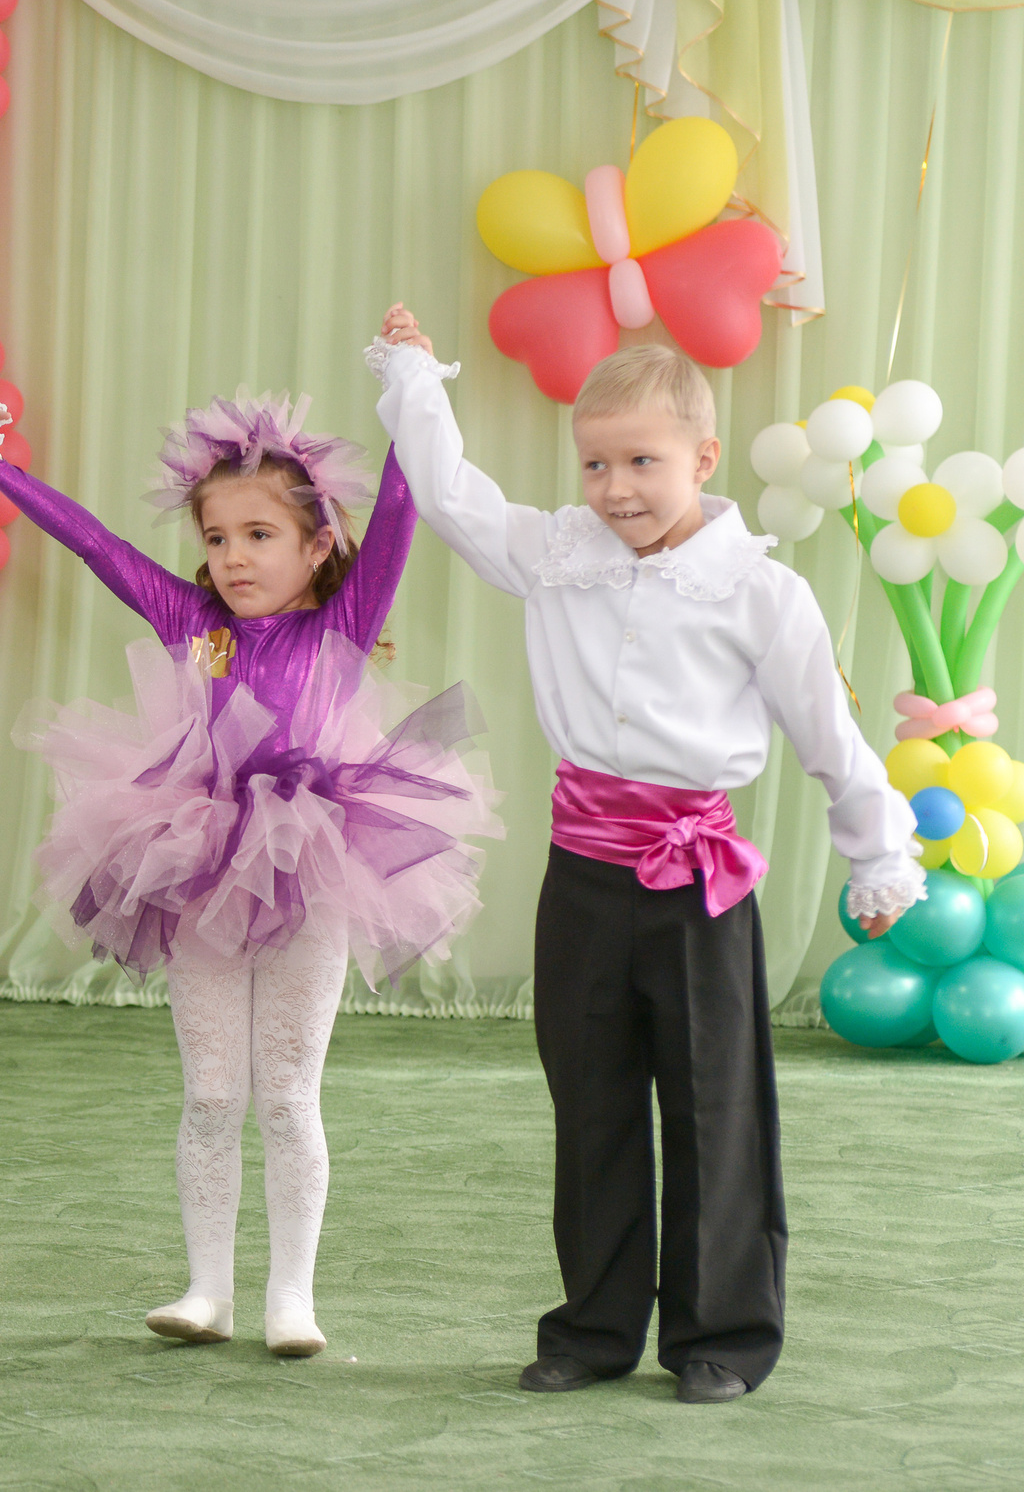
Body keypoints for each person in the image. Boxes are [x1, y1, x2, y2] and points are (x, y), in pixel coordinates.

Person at [373, 309, 921, 1403]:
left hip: (695, 883)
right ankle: (593, 1326)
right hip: (579, 877)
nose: (616, 486)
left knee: (715, 1103)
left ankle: (721, 1333)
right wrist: (411, 378)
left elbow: (828, 735)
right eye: (594, 462)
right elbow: (450, 495)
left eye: (642, 462)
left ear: (703, 458)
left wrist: (878, 855)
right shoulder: (555, 555)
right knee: (592, 1100)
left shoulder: (761, 592)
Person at [0, 348, 496, 1360]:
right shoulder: (191, 620)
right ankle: (206, 1286)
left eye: (260, 534)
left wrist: (412, 379)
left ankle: (291, 1293)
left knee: (286, 1094)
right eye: (217, 536)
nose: (234, 556)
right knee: (210, 1092)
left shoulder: (344, 617)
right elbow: (96, 544)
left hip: (316, 857)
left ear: (319, 544)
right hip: (195, 858)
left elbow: (406, 507)